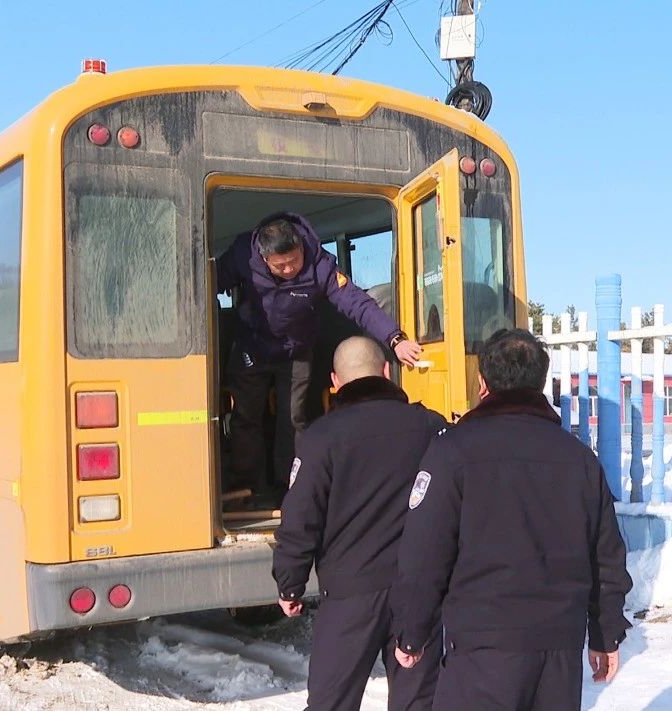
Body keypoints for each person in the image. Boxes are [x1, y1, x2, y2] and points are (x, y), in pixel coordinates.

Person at [391, 328, 633, 710]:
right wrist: (606, 633)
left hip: (483, 648)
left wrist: (411, 630)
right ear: (539, 384)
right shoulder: (578, 458)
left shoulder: (452, 451)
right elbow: (605, 554)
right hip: (558, 648)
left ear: (483, 384)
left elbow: (425, 551)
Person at [272, 336, 447, 711]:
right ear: (387, 371)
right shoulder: (430, 426)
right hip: (418, 594)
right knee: (418, 703)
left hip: (349, 597)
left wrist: (290, 582)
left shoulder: (321, 437)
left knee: (330, 703)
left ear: (335, 381)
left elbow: (300, 515)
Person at [215, 213, 423, 506]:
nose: (289, 269)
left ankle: (291, 489)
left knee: (294, 418)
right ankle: (248, 488)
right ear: (263, 258)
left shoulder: (321, 264)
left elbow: (357, 303)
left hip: (297, 350)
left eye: (294, 261)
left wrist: (394, 338)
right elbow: (206, 283)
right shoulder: (241, 253)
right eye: (280, 265)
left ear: (301, 247)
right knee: (246, 417)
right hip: (252, 346)